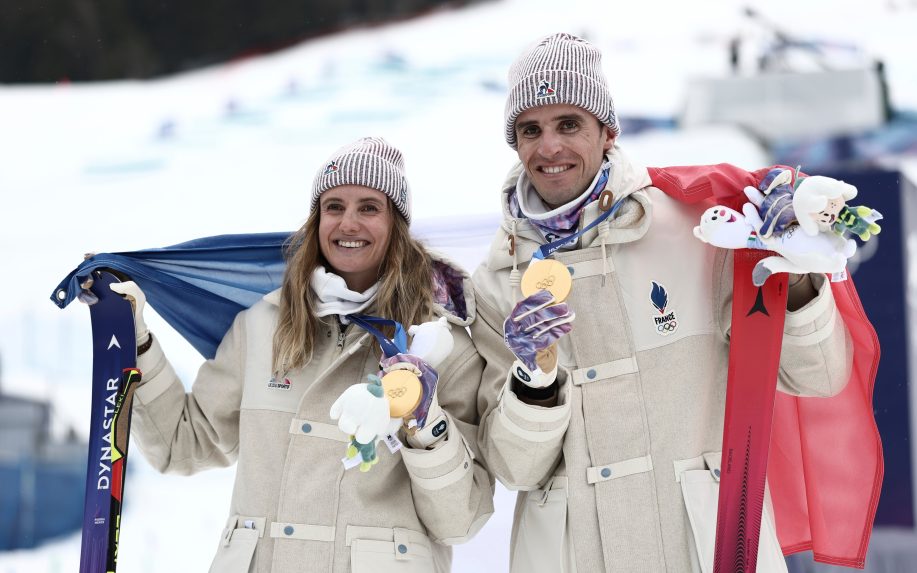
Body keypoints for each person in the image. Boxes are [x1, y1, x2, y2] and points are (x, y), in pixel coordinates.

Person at [472, 33, 862, 573]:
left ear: (608, 131)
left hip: (704, 545)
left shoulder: (696, 228)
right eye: (530, 129)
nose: (549, 147)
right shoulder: (496, 280)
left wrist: (788, 271)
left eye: (569, 124)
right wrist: (533, 382)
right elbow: (514, 470)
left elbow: (818, 375)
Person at [111, 136, 493, 572]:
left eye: (369, 207)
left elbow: (461, 520)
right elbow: (183, 445)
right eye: (334, 207)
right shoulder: (262, 326)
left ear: (397, 226)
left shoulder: (441, 343)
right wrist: (135, 342)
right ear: (316, 222)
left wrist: (424, 422)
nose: (348, 223)